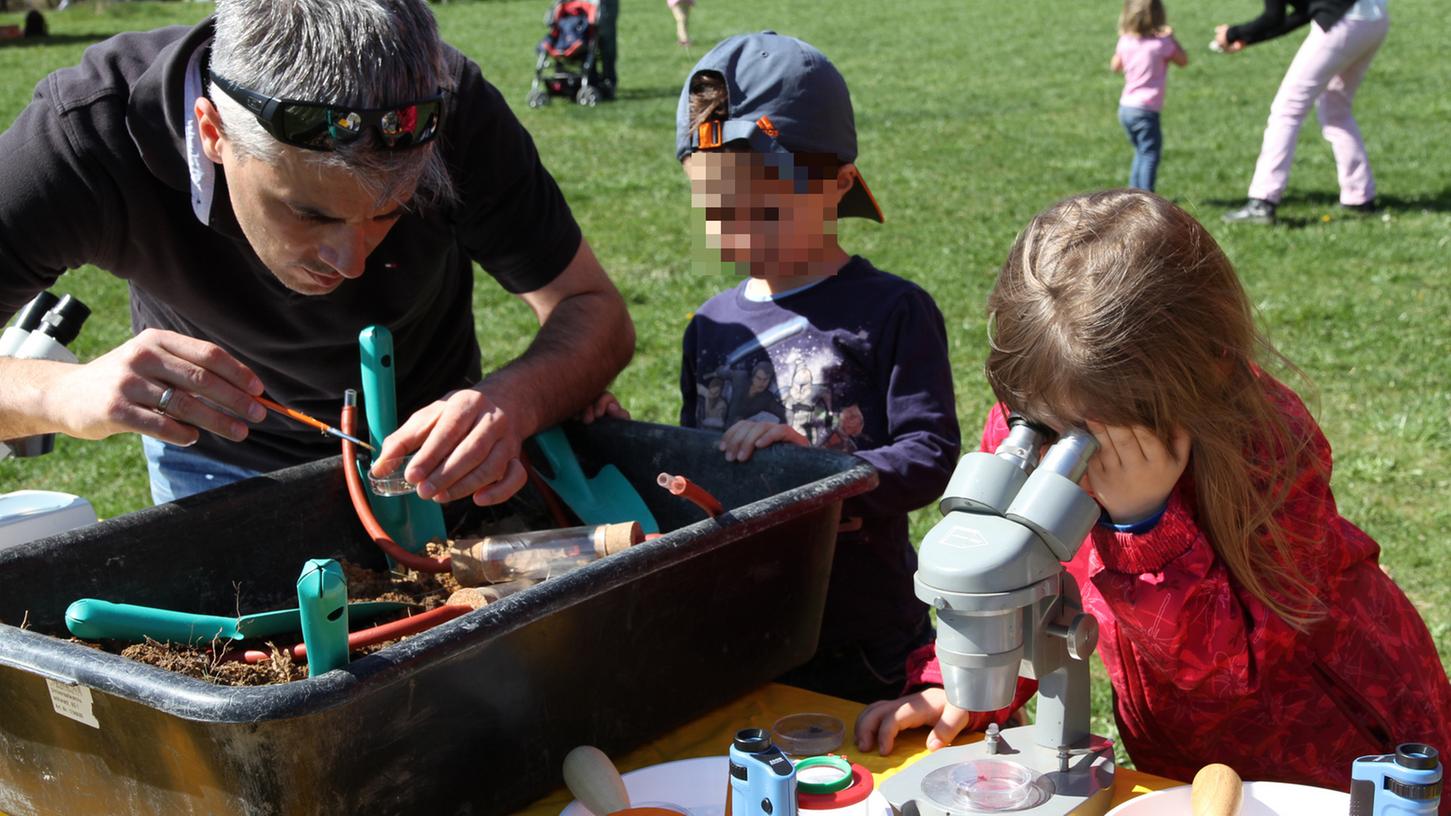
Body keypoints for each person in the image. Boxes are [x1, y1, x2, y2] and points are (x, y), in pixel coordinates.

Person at [855, 190, 1451, 797]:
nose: (1065, 451)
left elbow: (1227, 673)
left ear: (1204, 371)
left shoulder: (1268, 449)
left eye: (1094, 435)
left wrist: (1147, 529)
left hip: (1332, 755)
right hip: (1177, 760)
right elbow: (1022, 581)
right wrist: (957, 687)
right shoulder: (1034, 423)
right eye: (1044, 423)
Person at [0, 0, 633, 506]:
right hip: (220, 464)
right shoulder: (87, 136)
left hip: (433, 456)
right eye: (309, 212)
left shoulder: (456, 108)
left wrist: (510, 402)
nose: (350, 261)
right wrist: (64, 394)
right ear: (214, 133)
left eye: (390, 212)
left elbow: (591, 307)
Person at [674, 33, 961, 702]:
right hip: (742, 631)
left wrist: (816, 471)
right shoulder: (708, 326)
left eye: (758, 208)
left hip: (861, 638)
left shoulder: (889, 310)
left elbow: (930, 453)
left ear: (835, 186)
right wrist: (635, 442)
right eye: (714, 209)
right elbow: (703, 461)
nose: (731, 231)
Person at [1219, 0, 1390, 225]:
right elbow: (1301, 13)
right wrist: (1246, 37)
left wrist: (1232, 33)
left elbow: (1272, 18)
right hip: (1373, 18)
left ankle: (1263, 201)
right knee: (1336, 110)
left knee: (1286, 110)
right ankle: (1358, 195)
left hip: (1342, 20)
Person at [1111, 0, 1187, 192]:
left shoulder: (1126, 41)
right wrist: (1172, 38)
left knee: (1141, 151)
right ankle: (1145, 199)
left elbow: (1115, 66)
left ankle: (1133, 193)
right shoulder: (1161, 44)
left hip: (1126, 108)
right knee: (1150, 154)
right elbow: (1183, 60)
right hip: (1146, 109)